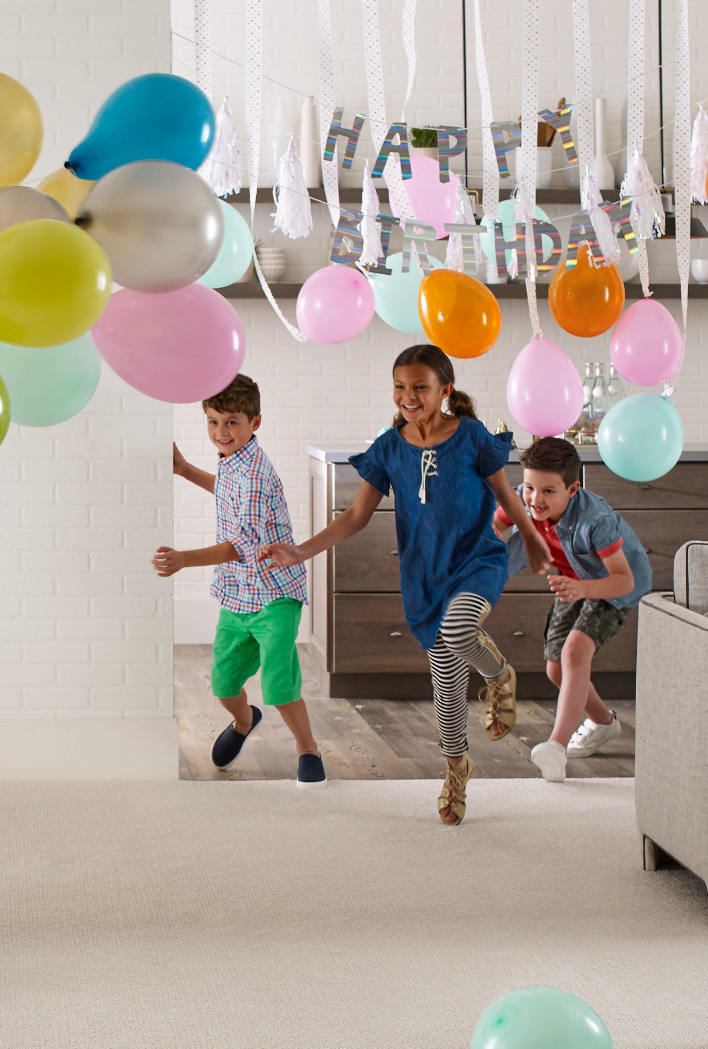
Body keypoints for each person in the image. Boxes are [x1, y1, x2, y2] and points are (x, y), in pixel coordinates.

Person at [258, 345, 549, 824]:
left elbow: (507, 496)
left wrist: (533, 539)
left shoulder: (472, 436)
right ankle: (456, 769)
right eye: (399, 386)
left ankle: (498, 675)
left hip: (476, 562)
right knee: (447, 688)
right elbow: (356, 515)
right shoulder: (389, 449)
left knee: (459, 631)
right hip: (423, 576)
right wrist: (301, 551)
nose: (408, 396)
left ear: (444, 390)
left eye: (420, 387)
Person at [155, 374, 325, 786]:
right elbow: (226, 490)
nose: (221, 431)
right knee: (223, 684)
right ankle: (244, 719)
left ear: (255, 422)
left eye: (231, 422)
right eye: (213, 421)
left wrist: (185, 559)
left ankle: (307, 748)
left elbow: (240, 545)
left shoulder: (255, 474)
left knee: (278, 682)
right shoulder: (234, 461)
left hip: (275, 595)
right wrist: (184, 469)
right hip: (237, 595)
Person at [494, 436, 652, 781]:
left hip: (611, 585)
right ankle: (603, 722)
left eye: (548, 491)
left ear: (572, 489)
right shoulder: (524, 499)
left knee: (575, 652)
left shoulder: (596, 519)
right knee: (556, 670)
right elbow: (495, 525)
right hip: (574, 580)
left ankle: (556, 746)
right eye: (530, 488)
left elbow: (624, 580)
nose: (535, 499)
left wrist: (585, 589)